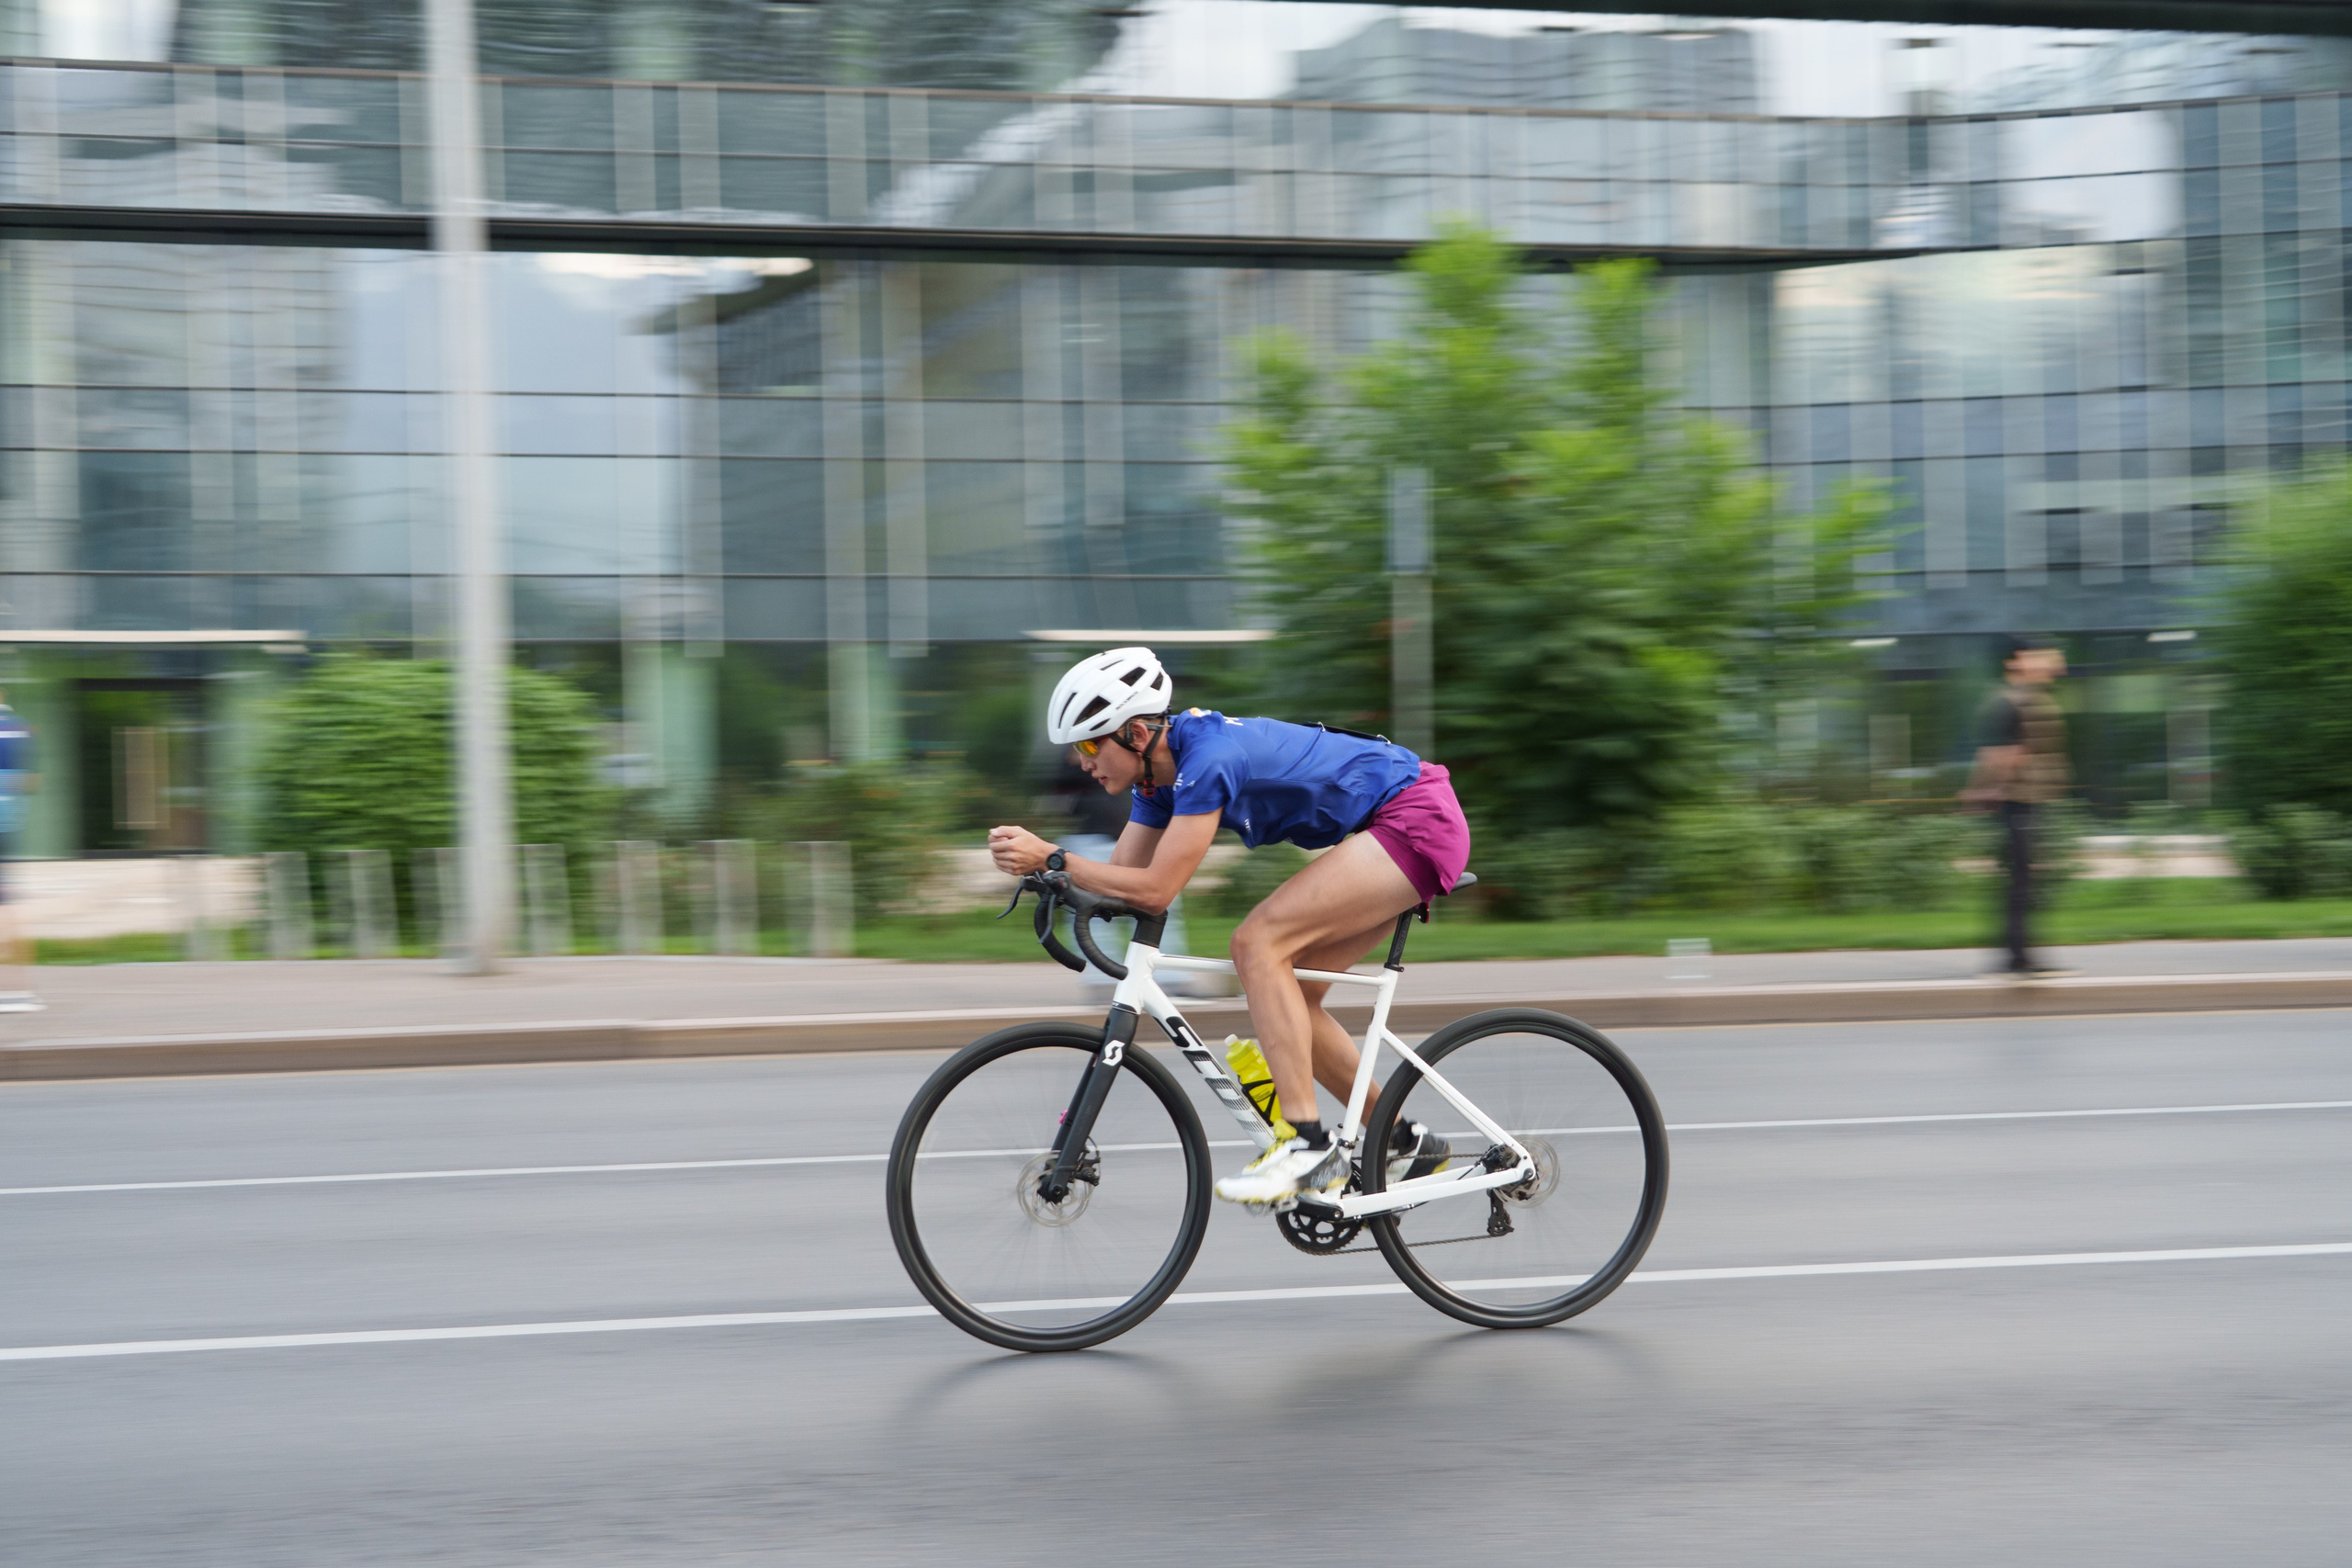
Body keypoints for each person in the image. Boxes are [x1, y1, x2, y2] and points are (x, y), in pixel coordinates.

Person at [988, 647, 1467, 1208]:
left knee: (1256, 944)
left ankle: (1308, 1149)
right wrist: (1056, 880)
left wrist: (1054, 858)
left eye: (1092, 743)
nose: (1080, 760)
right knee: (1298, 999)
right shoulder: (1156, 782)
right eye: (1077, 747)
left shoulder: (1208, 758)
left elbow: (1159, 888)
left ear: (1137, 735)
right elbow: (1122, 878)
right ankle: (1405, 1142)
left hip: (1413, 817)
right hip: (1383, 825)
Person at [1965, 634, 2071, 978]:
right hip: (2018, 800)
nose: (2044, 664)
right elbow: (2001, 754)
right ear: (2013, 662)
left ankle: (2019, 954)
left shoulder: (2027, 697)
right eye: (2031, 657)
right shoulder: (2010, 702)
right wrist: (1985, 792)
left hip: (2029, 799)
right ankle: (2016, 957)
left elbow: (2054, 667)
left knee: (2023, 880)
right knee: (2021, 881)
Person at [0, 689, 40, 1011]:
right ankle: (23, 989)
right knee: (9, 904)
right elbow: (32, 782)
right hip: (9, 825)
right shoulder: (22, 728)